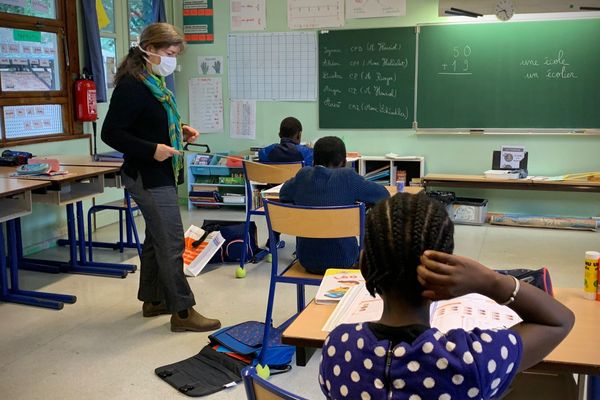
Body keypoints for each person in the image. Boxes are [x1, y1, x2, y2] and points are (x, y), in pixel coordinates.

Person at [319, 192, 575, 399]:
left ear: (366, 266)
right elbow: (559, 320)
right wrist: (490, 281)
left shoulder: (337, 347)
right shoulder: (473, 360)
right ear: (448, 268)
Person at [101, 23, 220, 333]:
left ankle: (153, 299)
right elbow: (111, 133)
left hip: (159, 172)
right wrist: (152, 149)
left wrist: (179, 134)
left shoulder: (153, 82)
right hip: (147, 175)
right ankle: (182, 312)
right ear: (150, 49)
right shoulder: (132, 85)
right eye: (169, 53)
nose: (172, 60)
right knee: (171, 243)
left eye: (176, 55)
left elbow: (147, 125)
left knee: (156, 238)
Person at [279, 136, 389, 274]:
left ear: (313, 161)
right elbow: (383, 195)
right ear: (343, 162)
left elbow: (283, 194)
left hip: (307, 260)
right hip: (344, 260)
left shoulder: (303, 175)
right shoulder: (348, 177)